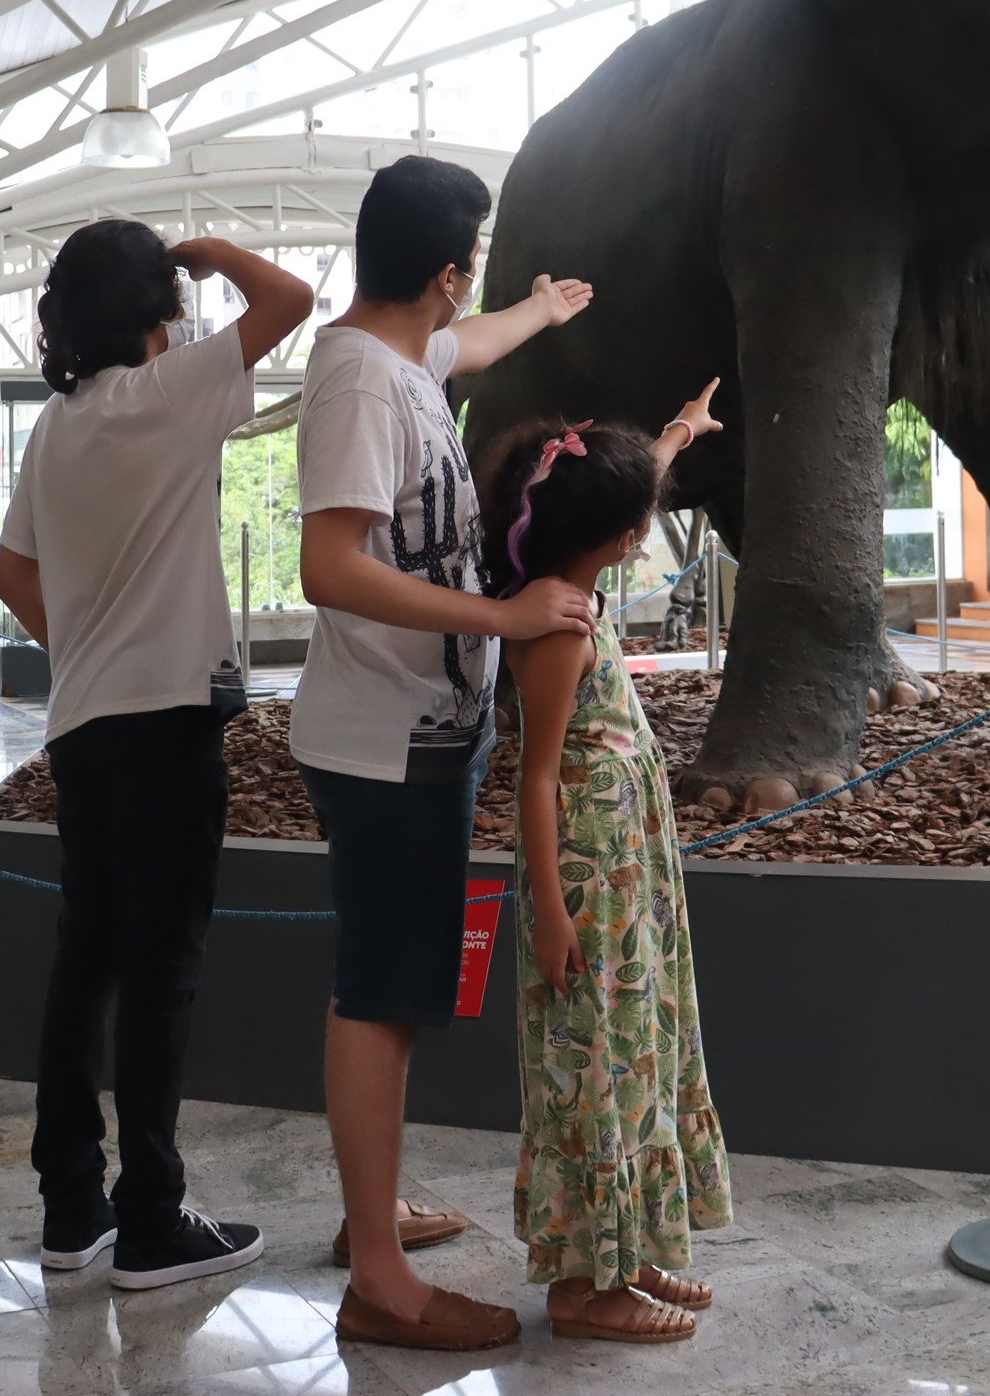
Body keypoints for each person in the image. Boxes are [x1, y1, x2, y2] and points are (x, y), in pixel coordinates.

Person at [291, 154, 596, 1352]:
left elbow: (467, 346)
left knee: (400, 993)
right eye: (473, 273)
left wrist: (544, 309)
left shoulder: (400, 349)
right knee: (381, 998)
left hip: (423, 735)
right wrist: (506, 620)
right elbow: (333, 566)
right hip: (385, 746)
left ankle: (377, 1214)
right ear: (445, 271)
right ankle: (379, 1277)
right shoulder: (363, 385)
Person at [0, 221, 311, 1289]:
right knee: (163, 971)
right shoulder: (170, 395)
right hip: (168, 722)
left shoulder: (59, 426)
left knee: (85, 959)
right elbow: (294, 299)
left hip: (82, 725)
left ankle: (71, 1209)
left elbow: (10, 574)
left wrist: (80, 647)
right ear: (155, 314)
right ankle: (153, 1217)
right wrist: (214, 251)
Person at [482, 394, 734, 1344]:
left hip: (625, 873)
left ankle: (624, 1252)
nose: (645, 529)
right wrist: (549, 912)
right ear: (621, 537)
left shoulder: (574, 581)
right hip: (586, 880)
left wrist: (673, 434)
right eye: (639, 519)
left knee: (631, 1057)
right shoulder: (557, 632)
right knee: (593, 1069)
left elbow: (620, 491)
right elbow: (535, 779)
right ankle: (587, 1288)